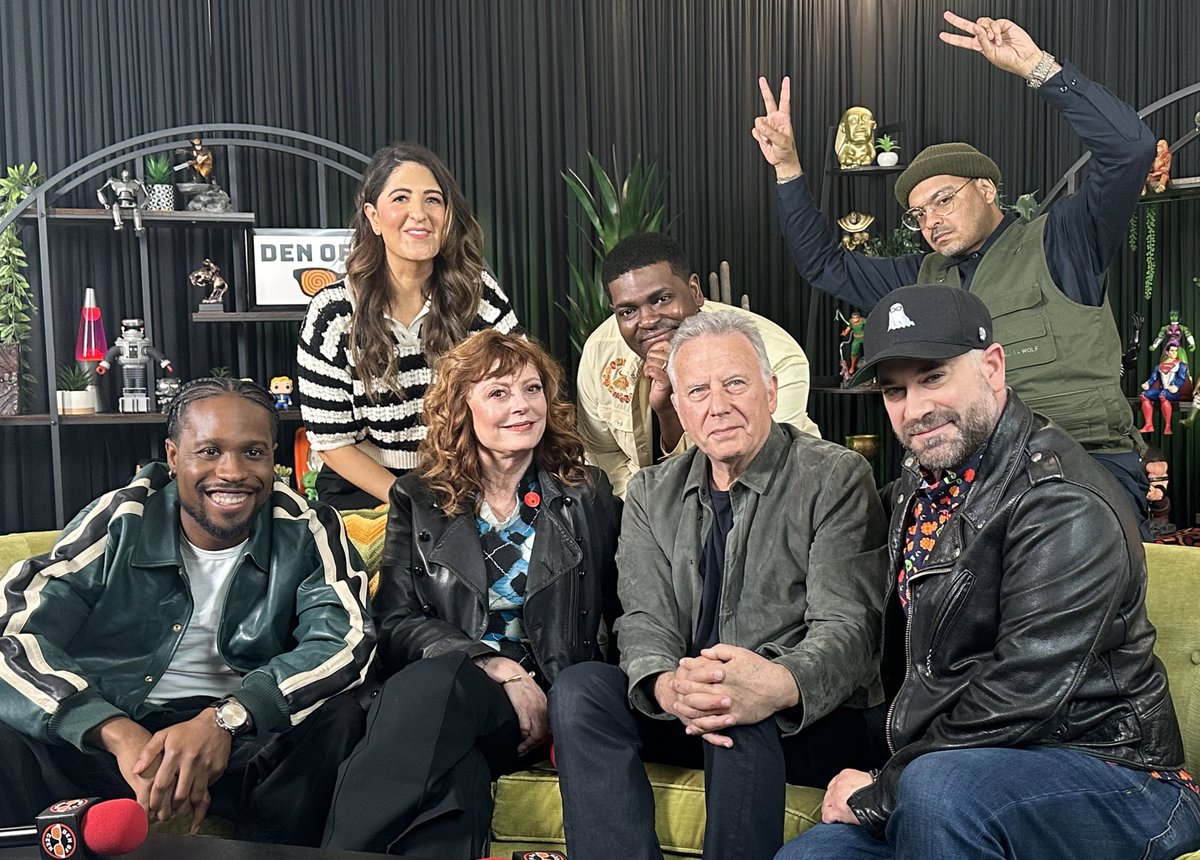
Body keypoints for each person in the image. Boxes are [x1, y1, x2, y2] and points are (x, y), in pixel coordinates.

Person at [775, 286, 1200, 860]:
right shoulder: (922, 481)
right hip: (961, 770)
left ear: (993, 368)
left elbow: (1021, 691)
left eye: (933, 377)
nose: (915, 409)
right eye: (895, 390)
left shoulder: (1061, 501)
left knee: (941, 790)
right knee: (811, 856)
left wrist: (883, 791)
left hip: (1117, 774)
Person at [753, 10, 1157, 532]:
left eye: (943, 200)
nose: (931, 221)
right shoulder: (923, 278)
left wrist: (1037, 67)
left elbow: (1129, 150)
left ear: (986, 190)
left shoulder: (1063, 240)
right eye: (918, 214)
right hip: (971, 475)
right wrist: (788, 168)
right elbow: (824, 264)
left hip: (1080, 464)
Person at [553, 311, 889, 860]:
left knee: (738, 714)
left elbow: (849, 629)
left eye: (735, 383)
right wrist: (667, 685)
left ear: (770, 391)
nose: (718, 405)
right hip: (687, 708)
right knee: (581, 690)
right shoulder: (650, 492)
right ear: (680, 408)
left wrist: (770, 684)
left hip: (808, 717)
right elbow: (644, 619)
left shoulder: (836, 477)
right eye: (697, 391)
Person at [0, 378, 375, 846]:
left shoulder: (305, 527)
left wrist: (228, 718)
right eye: (210, 451)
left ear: (273, 458)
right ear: (174, 456)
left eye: (253, 453)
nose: (232, 471)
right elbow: (12, 636)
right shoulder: (121, 520)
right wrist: (114, 732)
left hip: (246, 742)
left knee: (341, 717)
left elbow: (345, 639)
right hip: (112, 730)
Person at [322, 330, 621, 859]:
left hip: (549, 701)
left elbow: (619, 608)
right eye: (498, 393)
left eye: (532, 389)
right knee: (452, 779)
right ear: (462, 408)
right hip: (460, 697)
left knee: (431, 690)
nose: (522, 405)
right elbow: (395, 619)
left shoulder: (587, 493)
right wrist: (492, 664)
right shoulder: (418, 497)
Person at [297, 141, 519, 510]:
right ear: (373, 217)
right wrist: (411, 503)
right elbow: (331, 441)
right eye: (401, 198)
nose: (419, 214)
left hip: (465, 474)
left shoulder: (479, 295)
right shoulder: (332, 312)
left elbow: (515, 394)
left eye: (433, 200)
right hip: (365, 485)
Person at [577, 231, 820, 498]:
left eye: (662, 299)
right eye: (627, 311)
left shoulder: (776, 356)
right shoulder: (600, 352)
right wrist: (644, 509)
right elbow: (603, 456)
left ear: (695, 291)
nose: (647, 320)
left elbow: (759, 469)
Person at [1139, 344, 1189, 435]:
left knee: (1163, 395)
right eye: (1172, 350)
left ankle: (1167, 427)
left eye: (1176, 351)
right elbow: (1153, 378)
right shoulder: (1160, 366)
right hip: (1163, 390)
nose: (1174, 353)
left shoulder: (1180, 365)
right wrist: (1147, 384)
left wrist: (1176, 386)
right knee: (1144, 395)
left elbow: (1181, 378)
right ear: (1167, 352)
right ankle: (1149, 425)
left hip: (1173, 392)